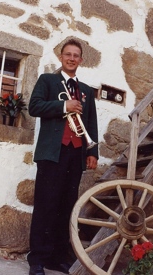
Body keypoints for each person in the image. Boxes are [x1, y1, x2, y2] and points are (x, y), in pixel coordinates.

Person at [27, 38, 99, 275]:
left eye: (75, 55)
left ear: (81, 59)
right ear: (61, 57)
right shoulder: (48, 80)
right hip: (52, 153)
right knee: (46, 206)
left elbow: (91, 123)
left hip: (75, 154)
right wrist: (63, 107)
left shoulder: (87, 91)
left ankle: (57, 257)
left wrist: (92, 152)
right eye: (67, 54)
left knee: (66, 206)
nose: (71, 58)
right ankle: (37, 259)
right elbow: (34, 107)